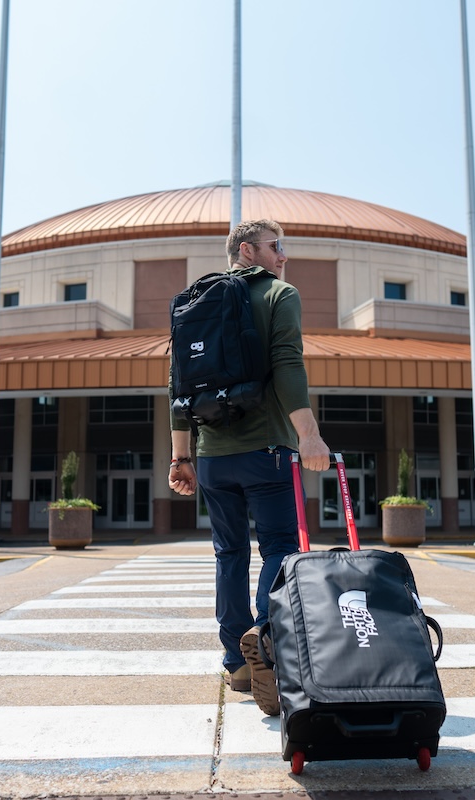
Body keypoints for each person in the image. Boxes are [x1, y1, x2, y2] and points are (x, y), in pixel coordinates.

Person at [168, 219, 331, 716]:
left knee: (228, 552)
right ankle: (265, 637)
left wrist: (181, 456)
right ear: (248, 250)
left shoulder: (194, 302)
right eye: (275, 246)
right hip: (268, 450)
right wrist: (308, 434)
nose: (283, 255)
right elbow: (288, 364)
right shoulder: (280, 295)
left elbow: (178, 386)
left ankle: (235, 660)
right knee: (280, 548)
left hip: (214, 457)